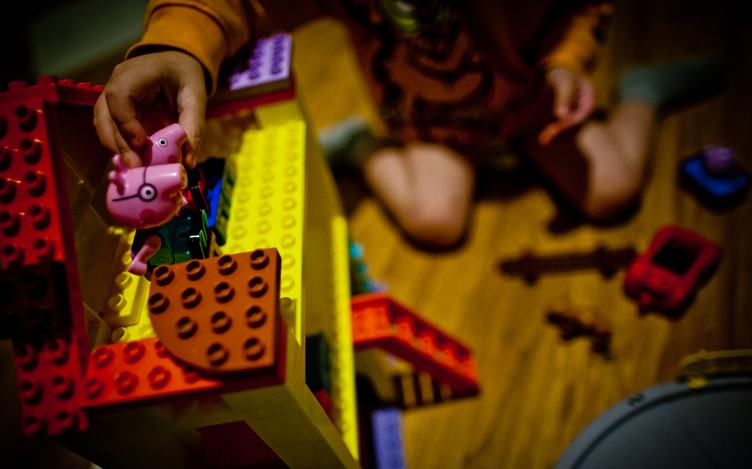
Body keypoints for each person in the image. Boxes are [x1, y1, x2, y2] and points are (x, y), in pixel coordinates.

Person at [94, 0, 724, 248]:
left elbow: (581, 8)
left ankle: (641, 95)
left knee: (612, 190)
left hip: (533, 107)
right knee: (433, 220)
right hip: (429, 128)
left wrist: (566, 61)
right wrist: (178, 43)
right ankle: (362, 146)